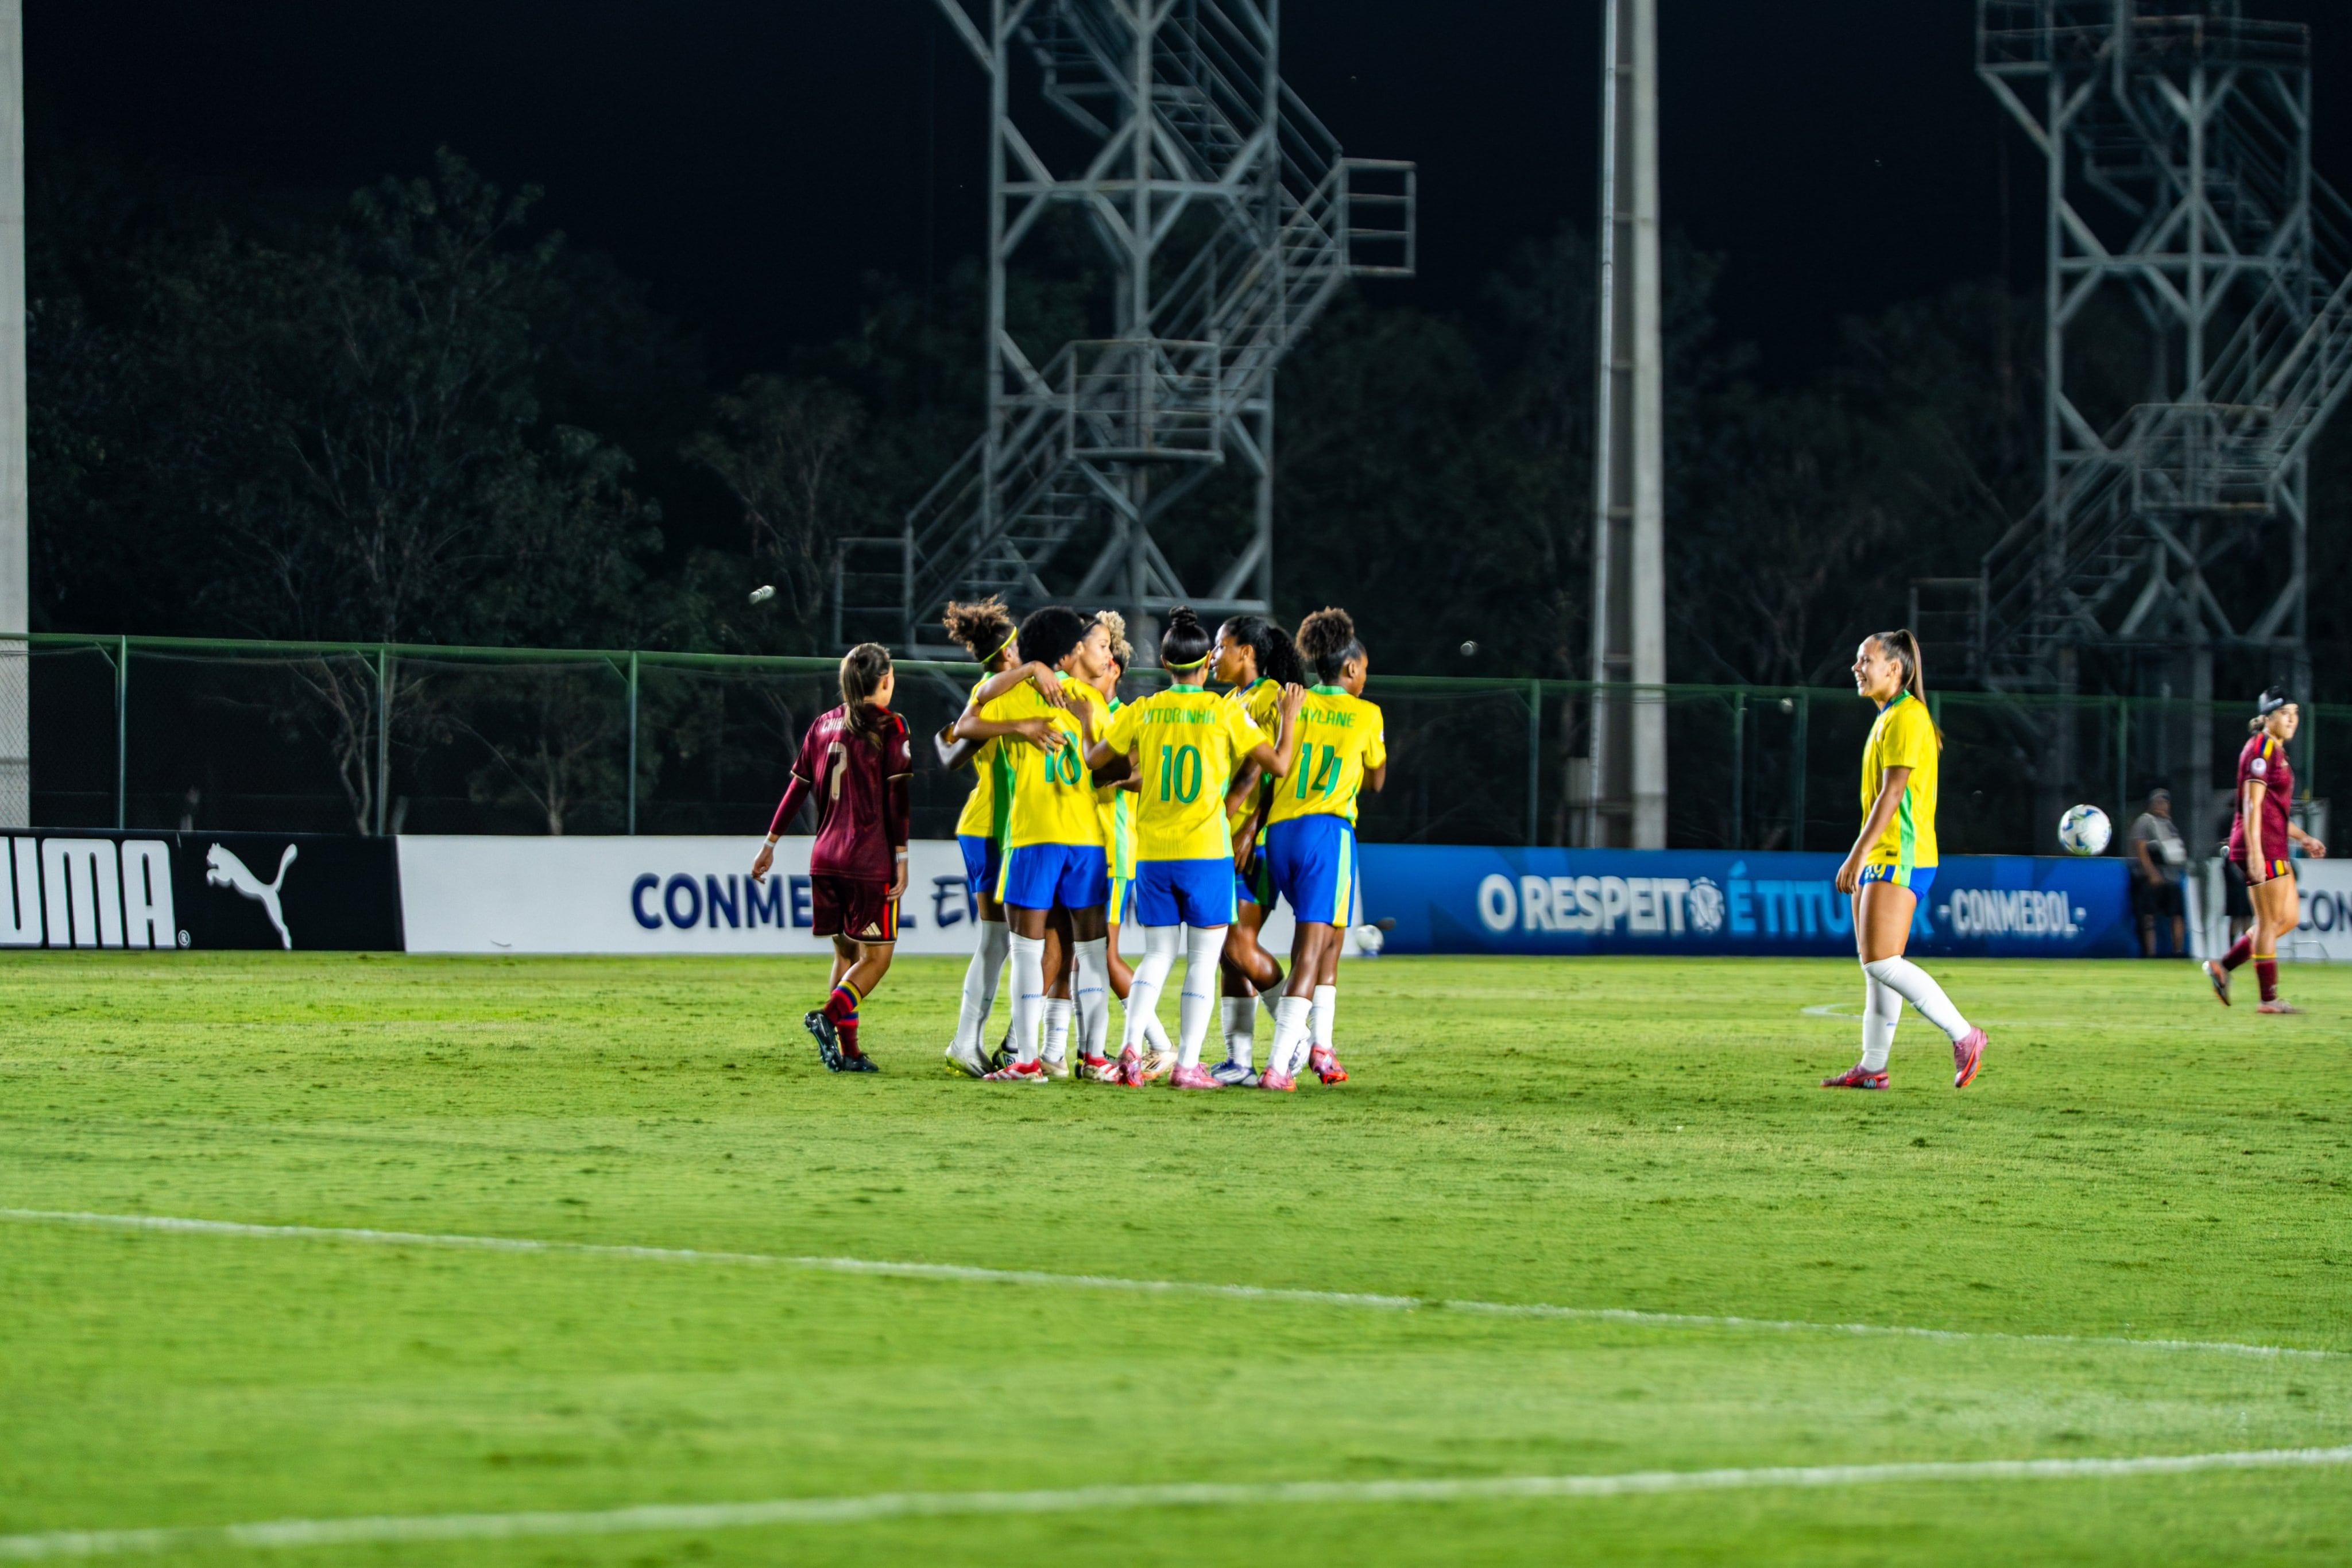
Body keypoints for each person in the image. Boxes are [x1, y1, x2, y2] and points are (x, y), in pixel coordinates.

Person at [1088, 607, 1306, 1088]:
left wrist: (1102, 745)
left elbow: (1096, 758)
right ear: (1206, 662)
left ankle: (1130, 1049)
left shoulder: (1144, 709)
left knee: (1157, 955)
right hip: (1206, 851)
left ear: (1165, 662)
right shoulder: (1224, 710)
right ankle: (1187, 1065)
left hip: (1153, 853)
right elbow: (1278, 764)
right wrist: (1288, 719)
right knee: (1204, 961)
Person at [949, 606, 1115, 1082]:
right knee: (1091, 951)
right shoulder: (1091, 700)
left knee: (1026, 950)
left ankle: (1026, 1061)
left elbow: (965, 724)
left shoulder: (1013, 695)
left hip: (1032, 836)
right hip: (1086, 838)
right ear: (1071, 651)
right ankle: (1095, 1058)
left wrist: (1022, 706)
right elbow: (1108, 767)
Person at [1821, 629, 1989, 1092]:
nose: (1857, 667)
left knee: (1883, 962)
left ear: (1894, 669)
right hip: (1885, 852)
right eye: (1858, 660)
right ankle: (1873, 1067)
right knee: (1875, 965)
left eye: (1866, 660)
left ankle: (1966, 1035)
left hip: (1903, 853)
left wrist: (1857, 853)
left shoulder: (1908, 716)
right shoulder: (1888, 716)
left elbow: (1893, 794)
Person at [751, 644, 911, 1074]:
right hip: (868, 861)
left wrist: (770, 844)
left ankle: (849, 1053)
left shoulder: (822, 724)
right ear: (885, 680)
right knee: (876, 959)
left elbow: (797, 788)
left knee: (846, 954)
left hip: (824, 859)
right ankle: (826, 1016)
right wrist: (901, 856)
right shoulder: (891, 725)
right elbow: (897, 797)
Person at [1258, 609, 1387, 1091]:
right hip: (1328, 832)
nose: (1366, 676)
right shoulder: (1366, 713)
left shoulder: (1294, 700)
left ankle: (1323, 1048)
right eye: (1365, 668)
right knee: (1314, 950)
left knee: (1327, 939)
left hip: (1281, 831)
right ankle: (1278, 1064)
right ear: (1351, 668)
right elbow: (1376, 779)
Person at [1209, 613, 1312, 1085]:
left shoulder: (1272, 696)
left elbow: (1270, 770)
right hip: (1223, 837)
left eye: (1221, 646)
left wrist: (1251, 827)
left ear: (1246, 652)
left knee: (1237, 943)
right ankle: (1239, 1061)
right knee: (1225, 952)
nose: (1214, 655)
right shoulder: (1231, 701)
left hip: (1257, 843)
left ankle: (1299, 1034)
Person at [1083, 613, 1182, 1080]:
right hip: (1088, 846)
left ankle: (1159, 1045)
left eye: (1104, 661)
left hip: (1117, 846)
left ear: (1115, 670)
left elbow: (1146, 773)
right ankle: (1083, 1051)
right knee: (1083, 953)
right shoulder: (1086, 711)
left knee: (1104, 954)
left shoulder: (1128, 716)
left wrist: (1118, 777)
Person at [938, 598, 1022, 1077]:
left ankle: (977, 1040)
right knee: (997, 939)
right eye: (1019, 647)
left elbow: (950, 751)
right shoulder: (997, 696)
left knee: (1001, 940)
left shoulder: (989, 692)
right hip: (993, 826)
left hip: (987, 824)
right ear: (1008, 652)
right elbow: (955, 750)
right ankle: (965, 1040)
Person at [2204, 691, 2327, 1013]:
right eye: (2285, 713)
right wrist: (2256, 853)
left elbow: (2275, 812)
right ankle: (2268, 1000)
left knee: (2287, 919)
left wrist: (2305, 839)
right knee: (2269, 921)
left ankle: (2223, 967)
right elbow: (2252, 804)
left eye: (2295, 713)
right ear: (2268, 717)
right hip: (2259, 846)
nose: (2292, 720)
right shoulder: (2261, 748)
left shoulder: (2277, 751)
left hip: (2274, 844)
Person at [2126, 787, 2188, 959]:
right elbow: (2141, 849)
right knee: (2149, 916)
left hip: (2171, 877)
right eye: (2158, 802)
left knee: (2177, 914)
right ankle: (2151, 953)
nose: (2162, 805)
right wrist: (2152, 873)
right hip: (2151, 877)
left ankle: (2178, 952)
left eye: (2165, 802)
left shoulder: (2169, 825)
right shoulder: (2145, 822)